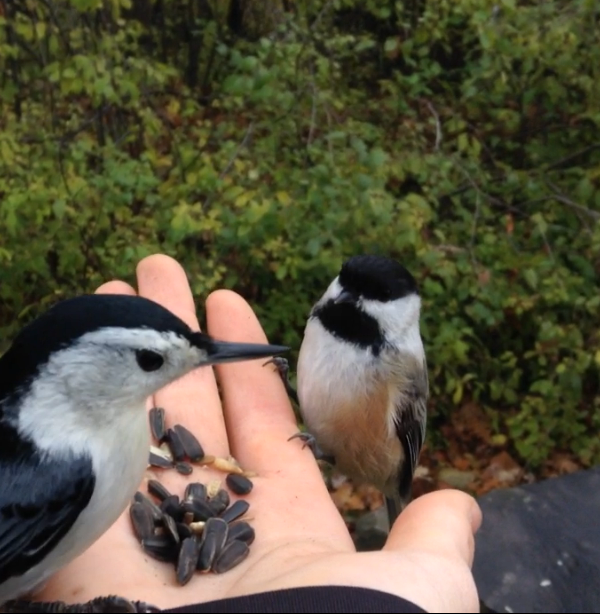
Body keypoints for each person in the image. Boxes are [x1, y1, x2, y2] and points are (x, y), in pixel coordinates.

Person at [30, 254, 483, 613]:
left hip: (367, 456)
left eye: (372, 294)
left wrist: (328, 452)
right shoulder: (330, 310)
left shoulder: (400, 363)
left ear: (402, 310)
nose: (348, 294)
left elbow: (401, 443)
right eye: (345, 280)